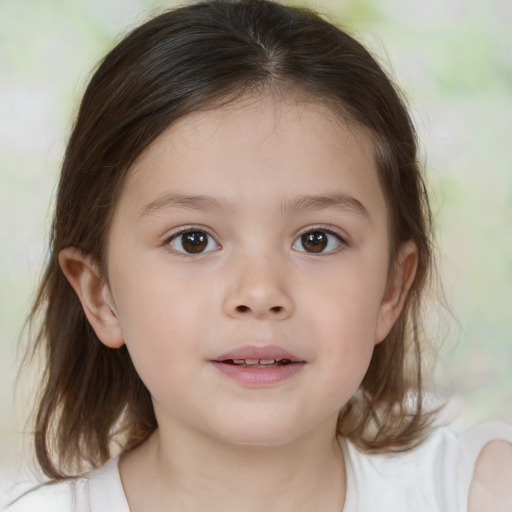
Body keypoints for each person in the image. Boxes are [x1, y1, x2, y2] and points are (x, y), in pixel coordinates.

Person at [4, 0, 512, 510]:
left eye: (317, 239)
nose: (260, 293)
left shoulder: (477, 492)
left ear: (392, 288)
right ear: (101, 296)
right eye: (193, 240)